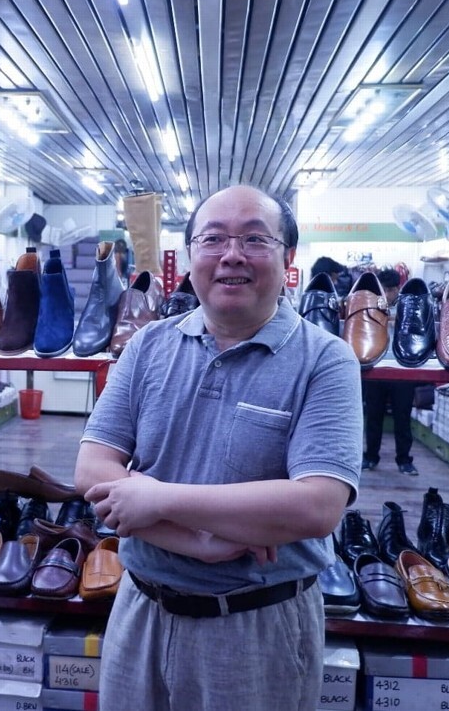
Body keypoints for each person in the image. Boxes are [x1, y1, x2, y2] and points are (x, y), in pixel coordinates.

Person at [75, 185, 362, 711]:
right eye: (213, 240)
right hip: (139, 607)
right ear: (190, 257)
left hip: (257, 626)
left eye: (255, 239)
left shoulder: (326, 360)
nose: (232, 255)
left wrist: (157, 499)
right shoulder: (147, 345)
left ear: (288, 257)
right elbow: (93, 467)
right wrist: (197, 543)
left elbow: (318, 506)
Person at [362, 268, 419, 475]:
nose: (386, 294)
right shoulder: (369, 305)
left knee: (403, 417)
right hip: (375, 367)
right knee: (373, 415)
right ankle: (370, 457)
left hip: (402, 369)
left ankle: (404, 460)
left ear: (398, 289)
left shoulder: (408, 307)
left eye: (390, 290)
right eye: (383, 289)